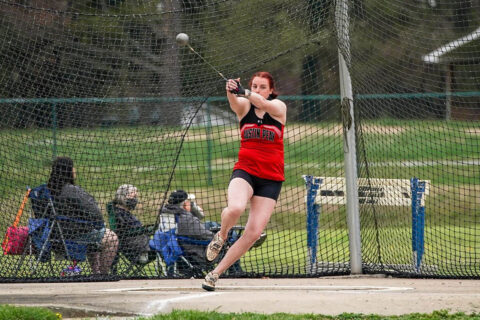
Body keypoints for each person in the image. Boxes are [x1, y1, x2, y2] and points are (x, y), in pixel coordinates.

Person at [202, 71, 286, 291]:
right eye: (254, 86)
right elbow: (236, 102)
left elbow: (258, 100)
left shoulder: (278, 108)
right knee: (236, 208)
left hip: (270, 179)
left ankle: (215, 273)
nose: (258, 90)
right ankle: (221, 236)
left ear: (270, 91)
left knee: (254, 232)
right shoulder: (245, 108)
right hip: (245, 172)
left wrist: (246, 92)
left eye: (262, 87)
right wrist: (231, 90)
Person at [47, 156, 119, 275]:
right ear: (67, 170)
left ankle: (96, 271)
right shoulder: (71, 190)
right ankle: (103, 274)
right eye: (72, 168)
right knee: (111, 238)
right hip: (74, 236)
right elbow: (95, 212)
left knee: (94, 234)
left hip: (53, 236)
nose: (74, 170)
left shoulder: (48, 190)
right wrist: (98, 223)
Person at [111, 184, 155, 265]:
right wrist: (146, 229)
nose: (135, 199)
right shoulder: (120, 214)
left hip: (139, 243)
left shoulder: (125, 213)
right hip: (135, 249)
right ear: (123, 196)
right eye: (133, 195)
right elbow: (128, 231)